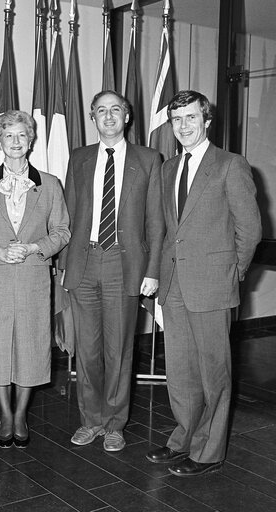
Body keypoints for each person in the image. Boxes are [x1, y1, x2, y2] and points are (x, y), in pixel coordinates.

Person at [146, 90, 261, 476]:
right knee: (180, 373)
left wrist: (231, 274)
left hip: (212, 285)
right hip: (174, 285)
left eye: (191, 118)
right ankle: (183, 439)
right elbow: (166, 231)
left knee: (214, 375)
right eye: (177, 120)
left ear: (206, 121)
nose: (183, 126)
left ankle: (209, 452)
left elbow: (250, 230)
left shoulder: (230, 165)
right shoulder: (167, 169)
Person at [59, 90, 164, 452]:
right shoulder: (80, 158)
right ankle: (91, 420)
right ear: (92, 117)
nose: (108, 117)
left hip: (125, 264)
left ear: (127, 116)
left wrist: (152, 270)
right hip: (84, 263)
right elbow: (69, 215)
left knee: (118, 349)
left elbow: (156, 221)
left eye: (115, 110)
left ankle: (115, 423)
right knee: (86, 350)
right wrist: (63, 264)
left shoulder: (149, 159)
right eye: (101, 111)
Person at [0, 110, 70, 448]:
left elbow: (62, 232)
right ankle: (5, 413)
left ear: (31, 139)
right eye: (9, 135)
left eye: (22, 135)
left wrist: (35, 247)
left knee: (32, 347)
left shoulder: (50, 184)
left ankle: (21, 414)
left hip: (34, 278)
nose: (16, 142)